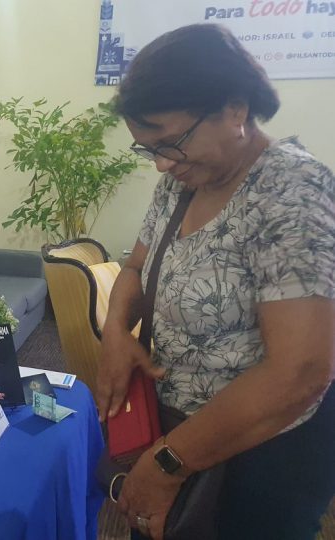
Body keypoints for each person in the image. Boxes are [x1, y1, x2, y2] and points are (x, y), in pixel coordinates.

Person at [96, 24, 335, 540]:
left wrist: (167, 464)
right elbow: (136, 267)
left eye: (172, 142)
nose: (161, 162)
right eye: (148, 148)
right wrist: (117, 330)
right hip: (175, 427)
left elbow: (301, 373)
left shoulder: (292, 191)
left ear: (235, 108)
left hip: (260, 452)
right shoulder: (180, 183)